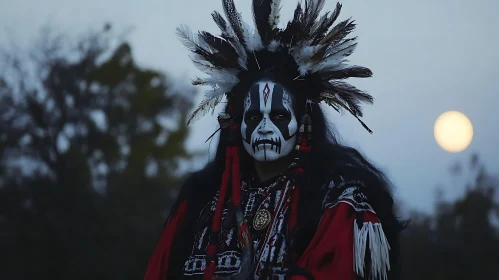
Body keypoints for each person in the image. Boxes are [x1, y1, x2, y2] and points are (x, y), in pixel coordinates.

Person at [144, 0, 405, 279]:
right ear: (236, 122)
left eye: (279, 116)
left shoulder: (339, 200)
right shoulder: (200, 200)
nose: (266, 128)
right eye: (254, 116)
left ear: (303, 120)